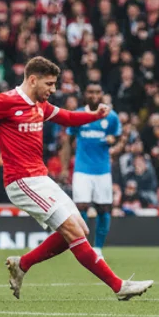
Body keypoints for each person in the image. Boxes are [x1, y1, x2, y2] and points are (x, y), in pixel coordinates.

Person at [0, 56, 153, 300]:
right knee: (73, 230)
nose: (53, 89)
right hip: (21, 181)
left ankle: (22, 264)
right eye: (49, 84)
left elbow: (68, 118)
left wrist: (95, 115)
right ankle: (119, 286)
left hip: (41, 178)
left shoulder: (41, 105)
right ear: (32, 80)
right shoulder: (3, 101)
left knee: (80, 228)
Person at [67, 83, 121, 257]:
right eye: (90, 92)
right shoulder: (78, 115)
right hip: (82, 169)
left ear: (102, 94)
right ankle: (84, 248)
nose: (94, 95)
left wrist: (114, 144)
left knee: (104, 209)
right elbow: (68, 140)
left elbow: (119, 138)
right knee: (81, 207)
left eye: (97, 92)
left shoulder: (111, 117)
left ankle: (98, 248)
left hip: (102, 170)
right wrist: (65, 165)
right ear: (85, 94)